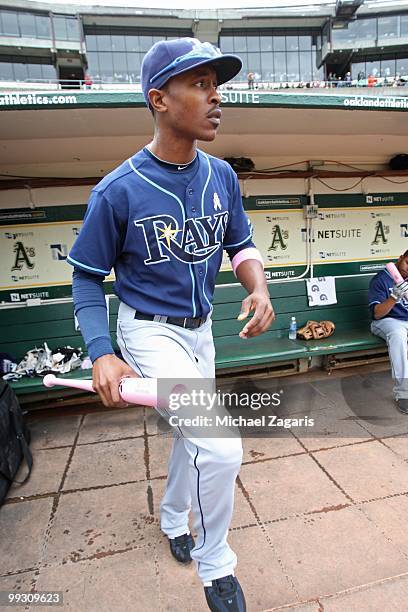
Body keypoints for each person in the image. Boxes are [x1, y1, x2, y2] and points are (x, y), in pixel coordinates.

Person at [67, 37, 274, 612]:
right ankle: (217, 567)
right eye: (201, 86)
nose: (216, 99)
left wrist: (256, 284)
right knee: (221, 446)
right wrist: (101, 351)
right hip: (149, 331)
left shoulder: (221, 176)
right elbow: (85, 278)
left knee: (193, 438)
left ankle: (174, 517)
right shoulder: (118, 189)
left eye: (217, 86)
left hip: (200, 329)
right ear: (159, 99)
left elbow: (241, 242)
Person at [369, 252, 408, 413]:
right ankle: (404, 393)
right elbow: (377, 313)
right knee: (398, 335)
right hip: (387, 321)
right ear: (400, 258)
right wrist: (394, 297)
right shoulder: (381, 279)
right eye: (407, 263)